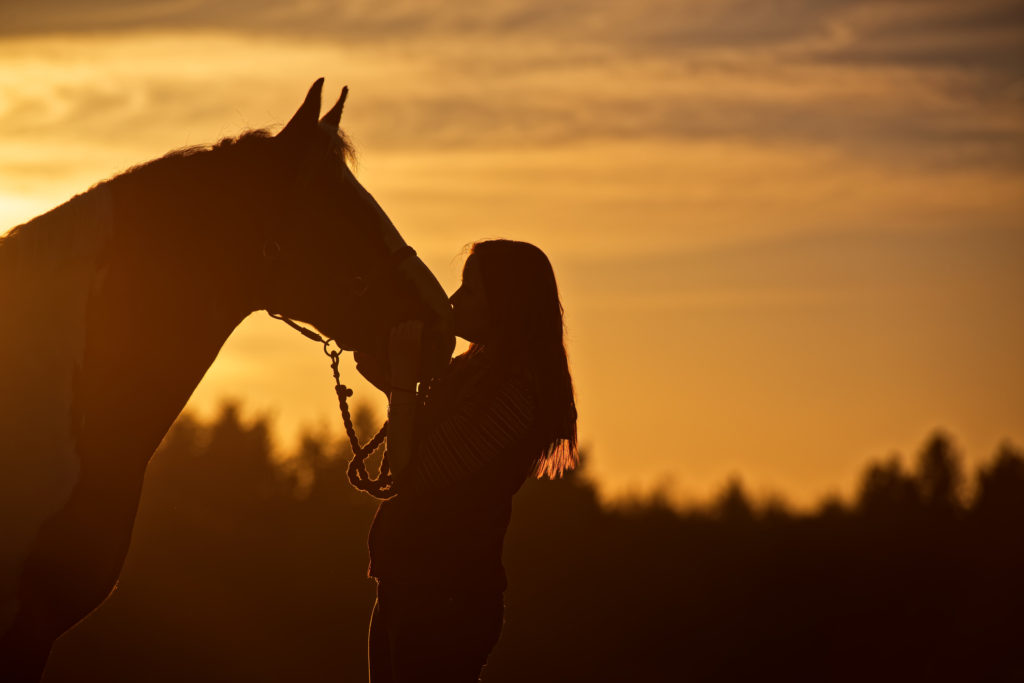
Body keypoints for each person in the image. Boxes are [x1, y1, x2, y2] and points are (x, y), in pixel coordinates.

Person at [353, 239, 578, 682]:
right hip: (414, 590)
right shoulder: (477, 372)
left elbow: (412, 473)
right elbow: (417, 445)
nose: (454, 301)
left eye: (469, 291)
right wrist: (392, 382)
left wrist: (400, 380)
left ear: (506, 304)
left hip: (443, 601)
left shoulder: (515, 394)